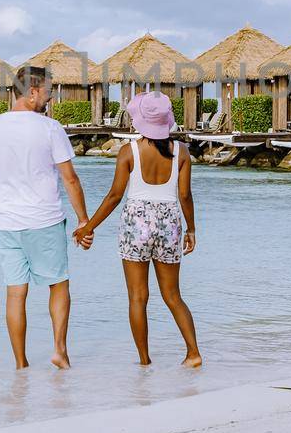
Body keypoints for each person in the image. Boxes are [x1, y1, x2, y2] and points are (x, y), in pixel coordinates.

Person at [74, 91, 201, 368]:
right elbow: (185, 195)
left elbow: (114, 197)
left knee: (137, 297)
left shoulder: (128, 152)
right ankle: (193, 353)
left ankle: (144, 361)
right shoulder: (182, 152)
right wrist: (191, 229)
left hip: (136, 224)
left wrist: (88, 227)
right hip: (170, 223)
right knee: (173, 295)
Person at [0, 68, 90, 370]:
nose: (51, 98)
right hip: (45, 221)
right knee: (59, 285)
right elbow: (71, 179)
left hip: (8, 224)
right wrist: (83, 220)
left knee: (15, 293)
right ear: (33, 91)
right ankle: (59, 351)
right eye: (48, 91)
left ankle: (21, 364)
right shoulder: (50, 128)